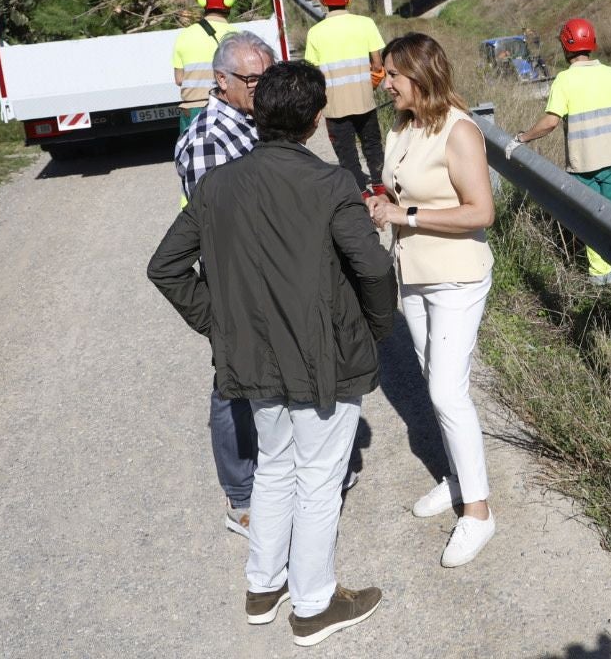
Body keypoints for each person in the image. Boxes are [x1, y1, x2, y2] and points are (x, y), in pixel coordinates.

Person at [149, 60, 396, 646]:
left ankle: (264, 585)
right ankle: (312, 607)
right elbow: (373, 269)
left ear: (256, 113)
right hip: (321, 359)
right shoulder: (331, 184)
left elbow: (165, 267)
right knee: (318, 477)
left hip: (254, 358)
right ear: (315, 120)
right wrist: (375, 329)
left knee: (275, 466)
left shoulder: (216, 186)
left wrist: (219, 325)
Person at [365, 32, 498, 568]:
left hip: (457, 278)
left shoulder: (458, 131)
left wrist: (408, 217)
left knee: (447, 392)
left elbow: (481, 212)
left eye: (392, 75)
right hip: (413, 275)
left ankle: (480, 514)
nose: (385, 83)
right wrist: (381, 200)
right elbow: (398, 188)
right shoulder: (403, 125)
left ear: (419, 75)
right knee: (431, 379)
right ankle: (458, 478)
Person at [173, 32, 272, 537]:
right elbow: (227, 230)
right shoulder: (211, 139)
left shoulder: (251, 121)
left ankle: (271, 482)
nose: (263, 88)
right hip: (238, 285)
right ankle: (241, 500)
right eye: (253, 80)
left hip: (265, 278)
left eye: (266, 78)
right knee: (232, 386)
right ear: (221, 80)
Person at [507, 17, 611, 285]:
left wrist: (523, 137)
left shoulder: (565, 80)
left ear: (566, 46)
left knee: (591, 220)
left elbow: (550, 121)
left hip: (582, 166)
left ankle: (601, 278)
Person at [303, 0, 386, 193]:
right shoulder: (365, 24)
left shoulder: (315, 33)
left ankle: (361, 192)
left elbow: (314, 74)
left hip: (335, 108)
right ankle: (380, 187)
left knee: (347, 153)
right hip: (364, 101)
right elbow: (378, 64)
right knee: (372, 146)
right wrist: (369, 85)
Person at [172, 0, 240, 132]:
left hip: (193, 110)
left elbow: (179, 79)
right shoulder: (237, 37)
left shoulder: (184, 35)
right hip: (225, 108)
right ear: (229, 1)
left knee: (192, 155)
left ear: (202, 1)